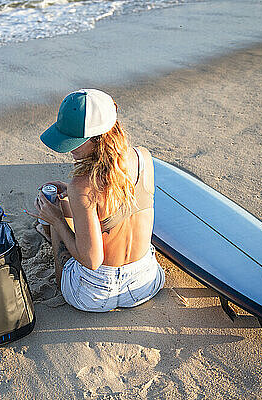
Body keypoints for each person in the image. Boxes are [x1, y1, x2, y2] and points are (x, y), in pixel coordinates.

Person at [25, 88, 164, 312]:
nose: (69, 149)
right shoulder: (143, 157)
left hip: (93, 295)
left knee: (59, 224)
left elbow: (92, 261)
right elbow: (116, 207)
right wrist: (74, 196)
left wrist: (57, 220)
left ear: (98, 137)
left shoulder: (82, 186)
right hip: (145, 284)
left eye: (74, 141)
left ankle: (51, 230)